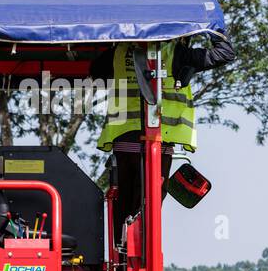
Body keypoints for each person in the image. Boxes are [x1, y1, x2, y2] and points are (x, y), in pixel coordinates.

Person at [93, 32, 235, 245]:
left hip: (124, 141)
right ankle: (138, 265)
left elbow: (95, 72)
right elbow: (225, 53)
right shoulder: (173, 52)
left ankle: (120, 257)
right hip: (158, 141)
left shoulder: (119, 52)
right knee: (146, 213)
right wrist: (212, 30)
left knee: (122, 208)